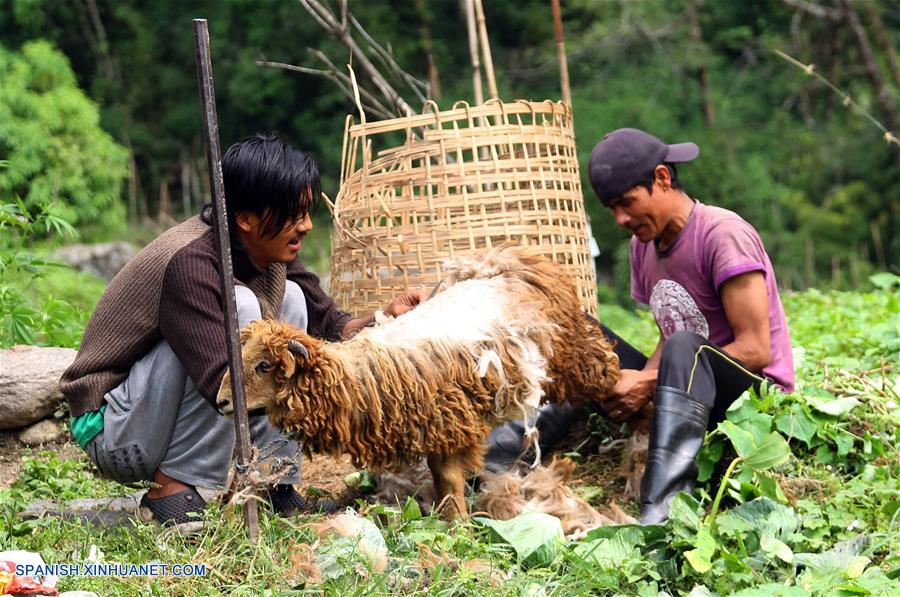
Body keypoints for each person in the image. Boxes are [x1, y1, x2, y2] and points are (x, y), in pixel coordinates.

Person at [60, 134, 427, 525]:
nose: (305, 225)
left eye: (306, 211)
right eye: (293, 213)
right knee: (245, 313)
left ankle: (273, 484)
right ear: (246, 219)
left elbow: (333, 327)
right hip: (114, 430)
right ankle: (171, 489)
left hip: (157, 410)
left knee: (291, 303)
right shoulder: (190, 264)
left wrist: (385, 318)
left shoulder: (268, 252)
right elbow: (224, 383)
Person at [485, 127, 794, 524]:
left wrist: (649, 383)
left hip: (754, 400)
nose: (620, 218)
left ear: (662, 178)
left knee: (687, 346)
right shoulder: (642, 247)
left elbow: (755, 350)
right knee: (578, 336)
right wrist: (632, 383)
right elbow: (672, 331)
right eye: (611, 208)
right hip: (686, 389)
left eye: (627, 203)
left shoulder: (723, 234)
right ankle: (494, 461)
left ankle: (662, 511)